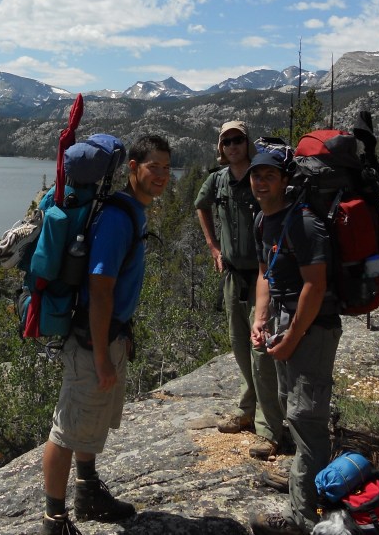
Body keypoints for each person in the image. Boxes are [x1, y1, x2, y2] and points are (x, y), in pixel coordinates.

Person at [40, 134, 173, 535]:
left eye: (168, 168)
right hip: (91, 340)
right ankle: (53, 521)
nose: (162, 176)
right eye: (154, 167)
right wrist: (100, 356)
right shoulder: (118, 218)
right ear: (133, 168)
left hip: (108, 335)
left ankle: (88, 492)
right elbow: (100, 291)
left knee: (89, 422)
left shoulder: (131, 211)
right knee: (67, 429)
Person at [247, 145, 342, 535]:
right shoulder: (262, 220)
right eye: (256, 174)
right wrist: (260, 318)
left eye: (270, 174)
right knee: (293, 409)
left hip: (312, 326)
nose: (261, 181)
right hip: (286, 321)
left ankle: (302, 519)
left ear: (287, 180)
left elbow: (315, 286)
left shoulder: (303, 222)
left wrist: (291, 339)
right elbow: (265, 273)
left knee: (306, 417)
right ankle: (307, 481)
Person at [193, 121, 284, 459]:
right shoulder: (217, 181)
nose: (232, 146)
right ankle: (248, 407)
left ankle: (270, 427)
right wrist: (213, 246)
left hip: (265, 276)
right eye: (226, 141)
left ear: (248, 143)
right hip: (233, 276)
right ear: (221, 148)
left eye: (238, 140)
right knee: (239, 346)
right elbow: (200, 205)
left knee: (261, 350)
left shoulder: (259, 177)